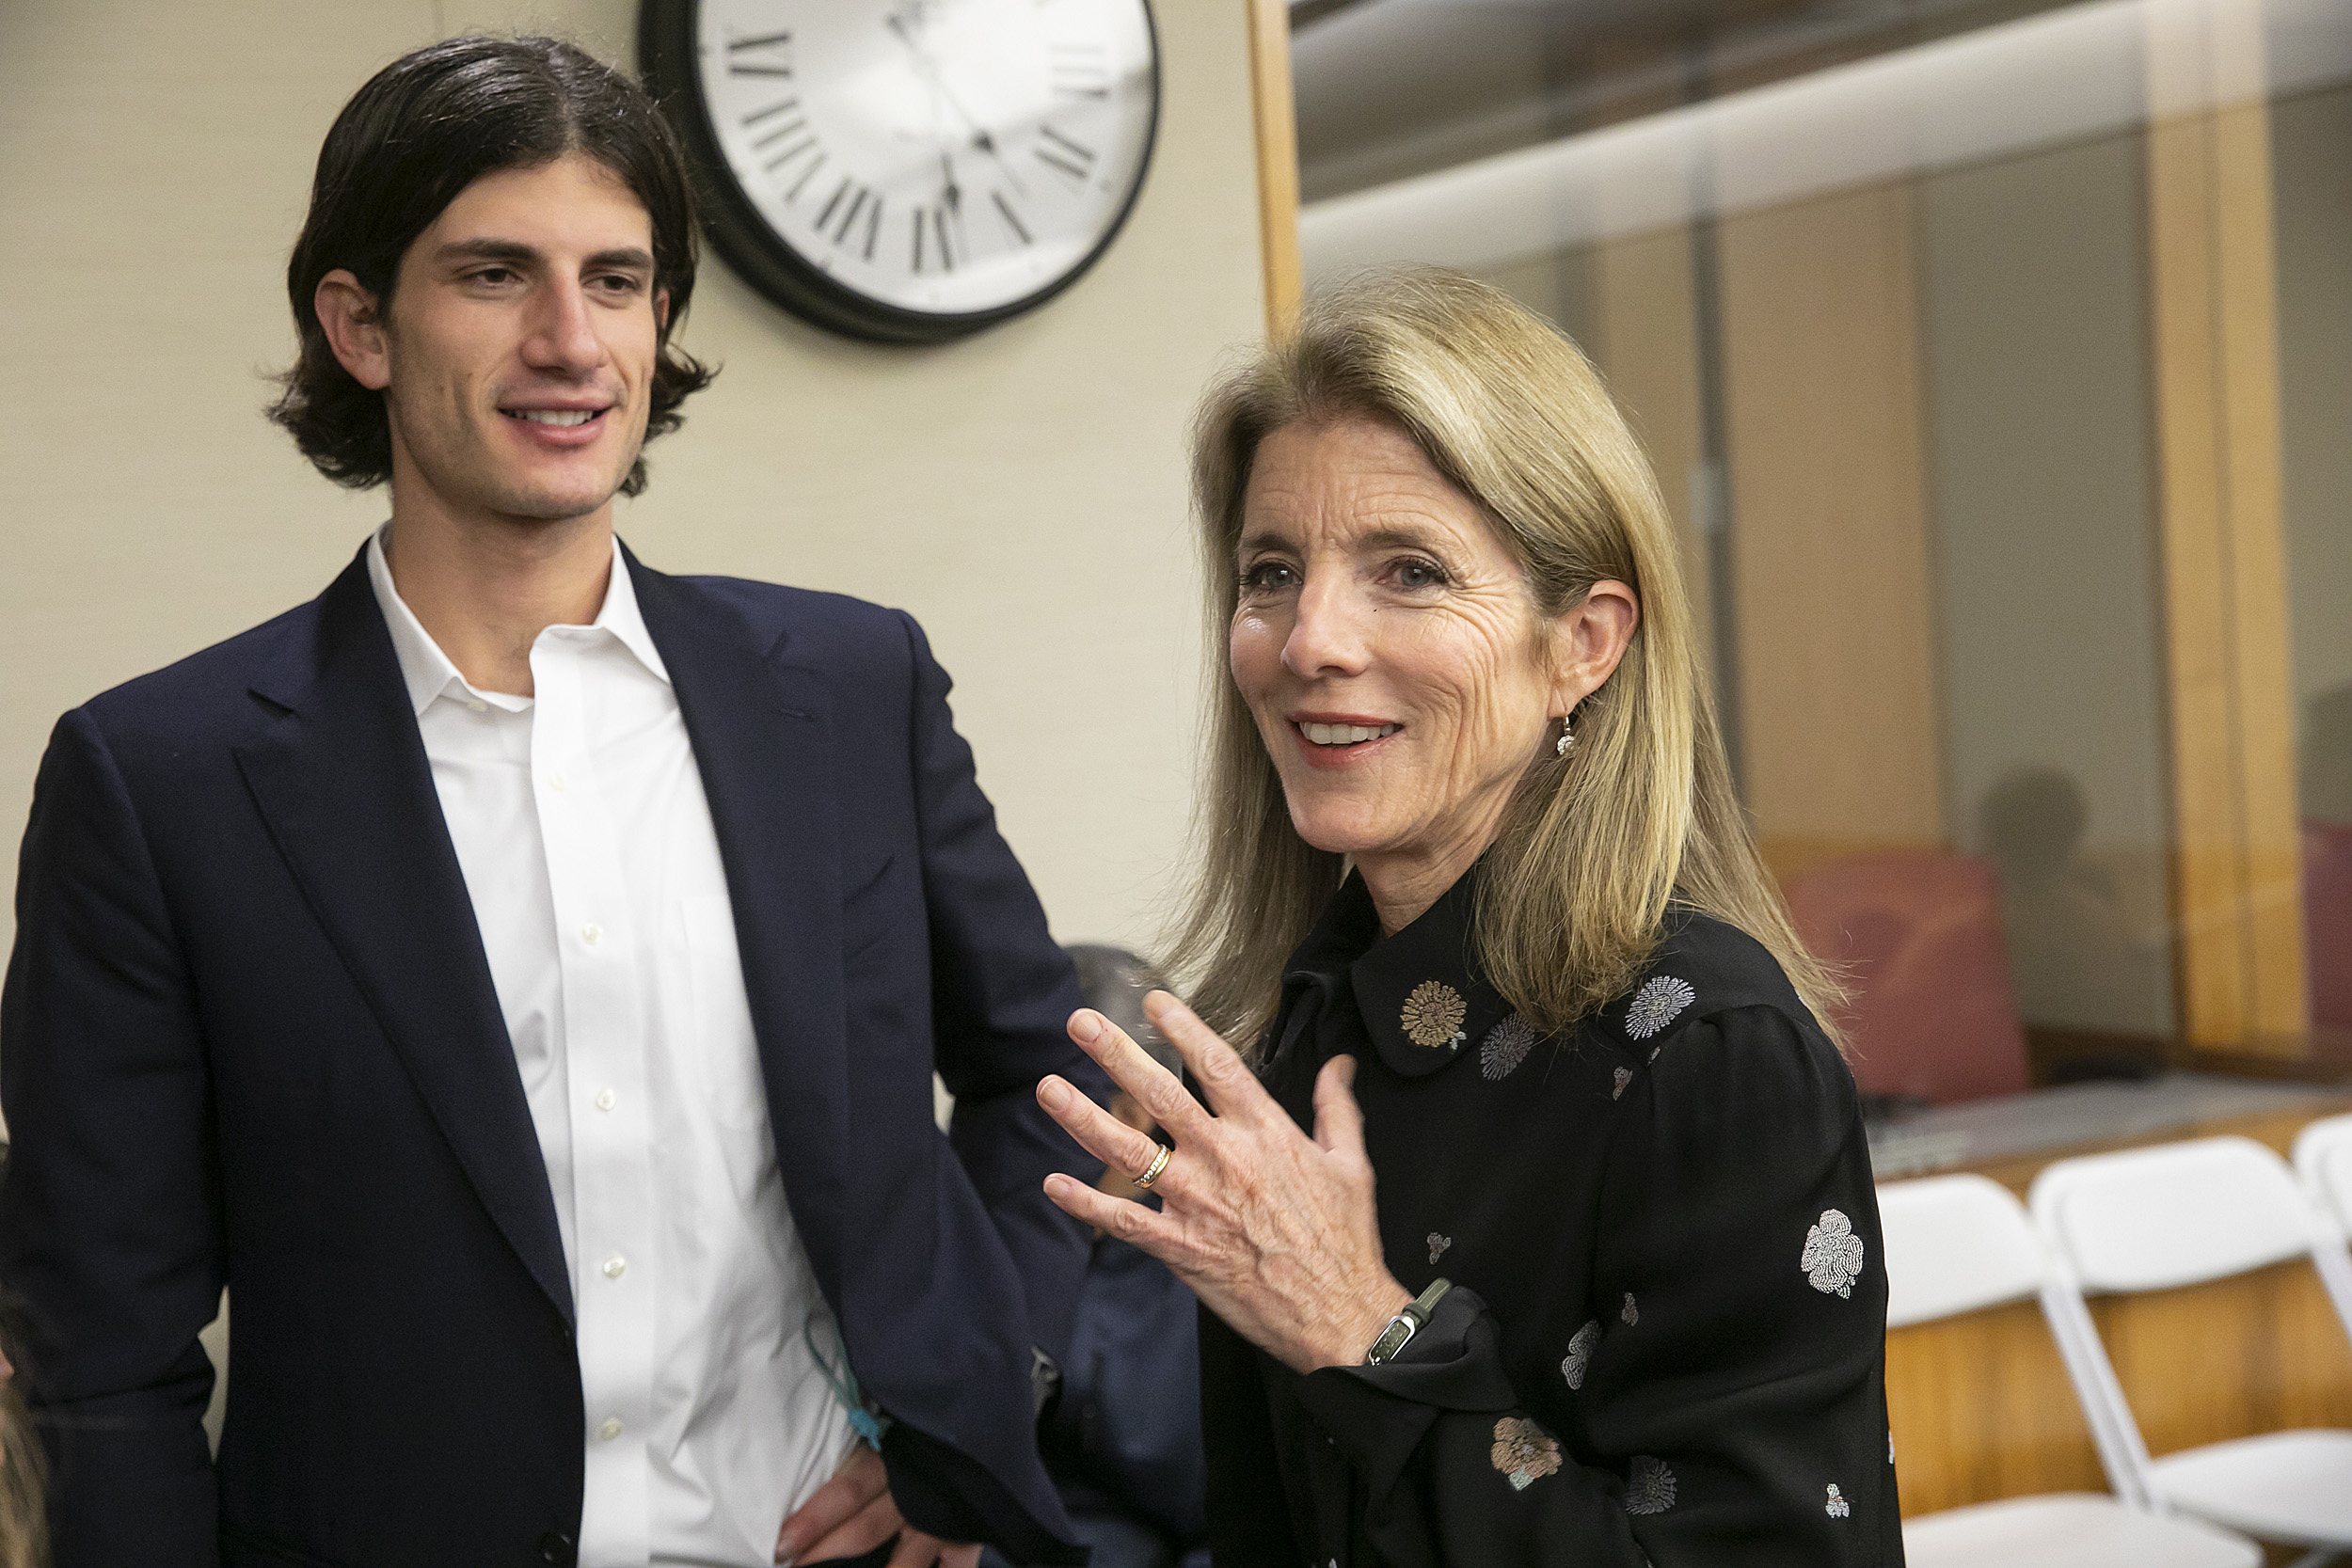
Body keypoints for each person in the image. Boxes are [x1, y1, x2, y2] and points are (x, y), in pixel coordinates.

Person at [0, 36, 1105, 1568]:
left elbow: (1050, 1078)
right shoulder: (157, 783)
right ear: (360, 324)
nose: (570, 340)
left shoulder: (854, 689)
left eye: (617, 279)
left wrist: (969, 1410)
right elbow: (99, 1358)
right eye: (495, 273)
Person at [1031, 267, 1902, 1565]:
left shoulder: (1704, 1056)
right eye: (1274, 569)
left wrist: (1366, 1327)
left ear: (1584, 645)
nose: (1309, 637)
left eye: (1410, 571)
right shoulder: (1297, 1023)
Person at [982, 948, 1209, 1568]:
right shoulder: (984, 1239)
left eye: (1045, 1104)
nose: (1011, 1133)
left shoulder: (1210, 1273)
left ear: (1131, 1117)